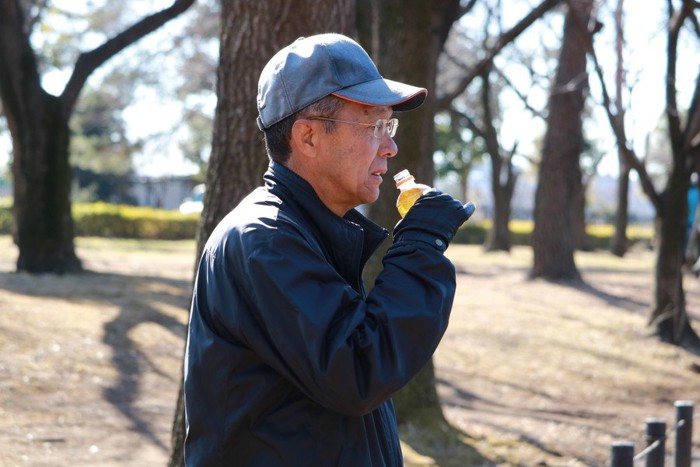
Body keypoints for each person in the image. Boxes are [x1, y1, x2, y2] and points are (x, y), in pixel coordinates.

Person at [183, 33, 475, 466]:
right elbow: (360, 371)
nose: (390, 146)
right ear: (308, 138)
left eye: (389, 125)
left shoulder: (311, 231)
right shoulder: (265, 239)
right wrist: (421, 243)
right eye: (374, 125)